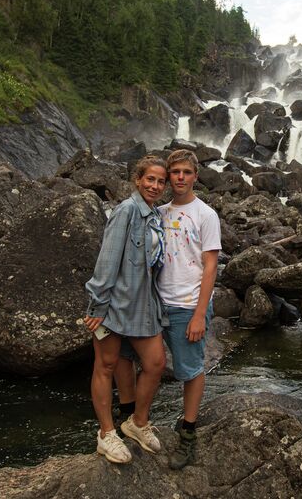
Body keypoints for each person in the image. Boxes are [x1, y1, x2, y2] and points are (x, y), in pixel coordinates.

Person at [83, 155, 169, 464]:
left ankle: (137, 422)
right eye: (150, 179)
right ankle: (106, 434)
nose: (156, 185)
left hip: (143, 304)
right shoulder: (127, 211)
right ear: (137, 180)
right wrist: (97, 304)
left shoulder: (155, 215)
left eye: (161, 181)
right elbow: (107, 260)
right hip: (114, 304)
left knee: (155, 363)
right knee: (105, 366)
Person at [157, 149, 221, 470]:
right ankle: (135, 422)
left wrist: (199, 313)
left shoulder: (205, 215)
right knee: (147, 363)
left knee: (190, 369)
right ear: (168, 176)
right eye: (175, 172)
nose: (180, 177)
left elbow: (211, 267)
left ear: (196, 176)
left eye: (186, 172)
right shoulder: (159, 212)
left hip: (187, 305)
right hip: (157, 303)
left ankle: (188, 433)